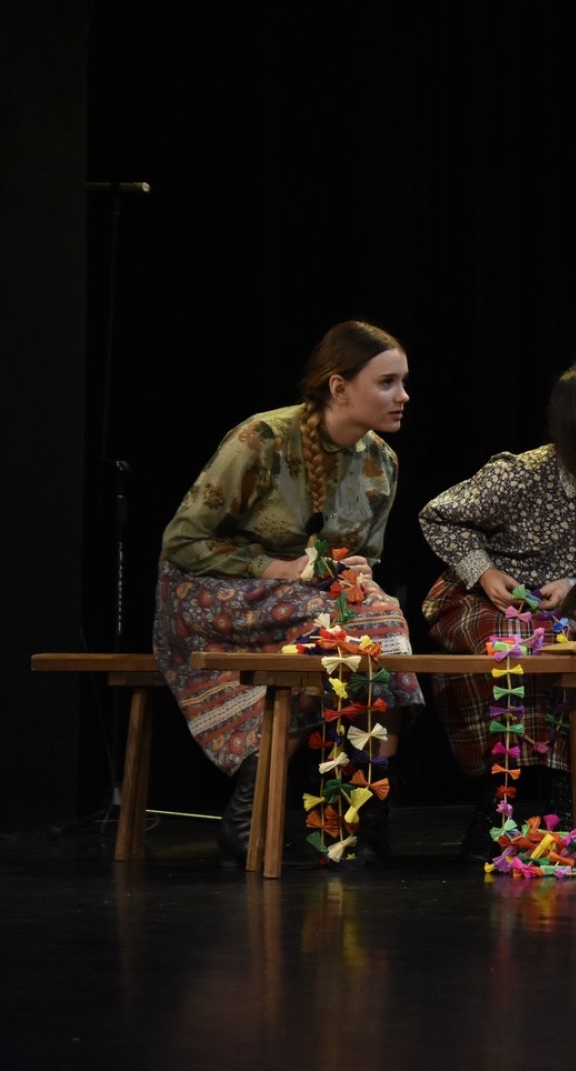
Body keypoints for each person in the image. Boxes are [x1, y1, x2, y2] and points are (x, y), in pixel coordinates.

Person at [153, 320, 423, 864]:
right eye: (387, 382)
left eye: (403, 382)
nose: (403, 396)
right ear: (339, 387)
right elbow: (182, 541)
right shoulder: (263, 439)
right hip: (212, 595)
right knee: (336, 624)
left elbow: (363, 558)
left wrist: (355, 572)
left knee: (379, 621)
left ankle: (366, 813)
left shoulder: (381, 462)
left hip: (310, 602)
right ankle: (251, 815)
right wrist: (277, 567)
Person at [417, 359, 576, 859]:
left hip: (557, 613)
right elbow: (439, 516)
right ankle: (496, 804)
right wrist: (483, 570)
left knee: (560, 648)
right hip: (476, 599)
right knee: (512, 644)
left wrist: (575, 586)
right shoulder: (524, 474)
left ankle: (565, 803)